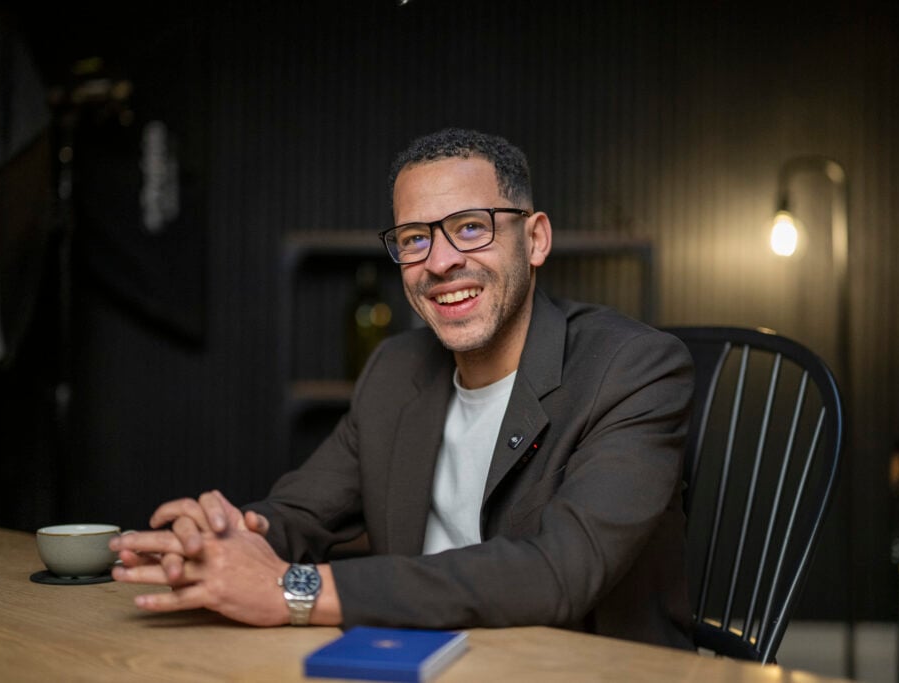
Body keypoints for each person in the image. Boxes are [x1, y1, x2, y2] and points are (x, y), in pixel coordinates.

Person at [110, 127, 696, 650]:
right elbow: (303, 513)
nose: (439, 262)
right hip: (415, 655)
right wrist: (227, 538)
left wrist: (294, 588)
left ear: (535, 239)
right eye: (415, 239)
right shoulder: (396, 368)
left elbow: (556, 573)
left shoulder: (634, 368)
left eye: (471, 228)